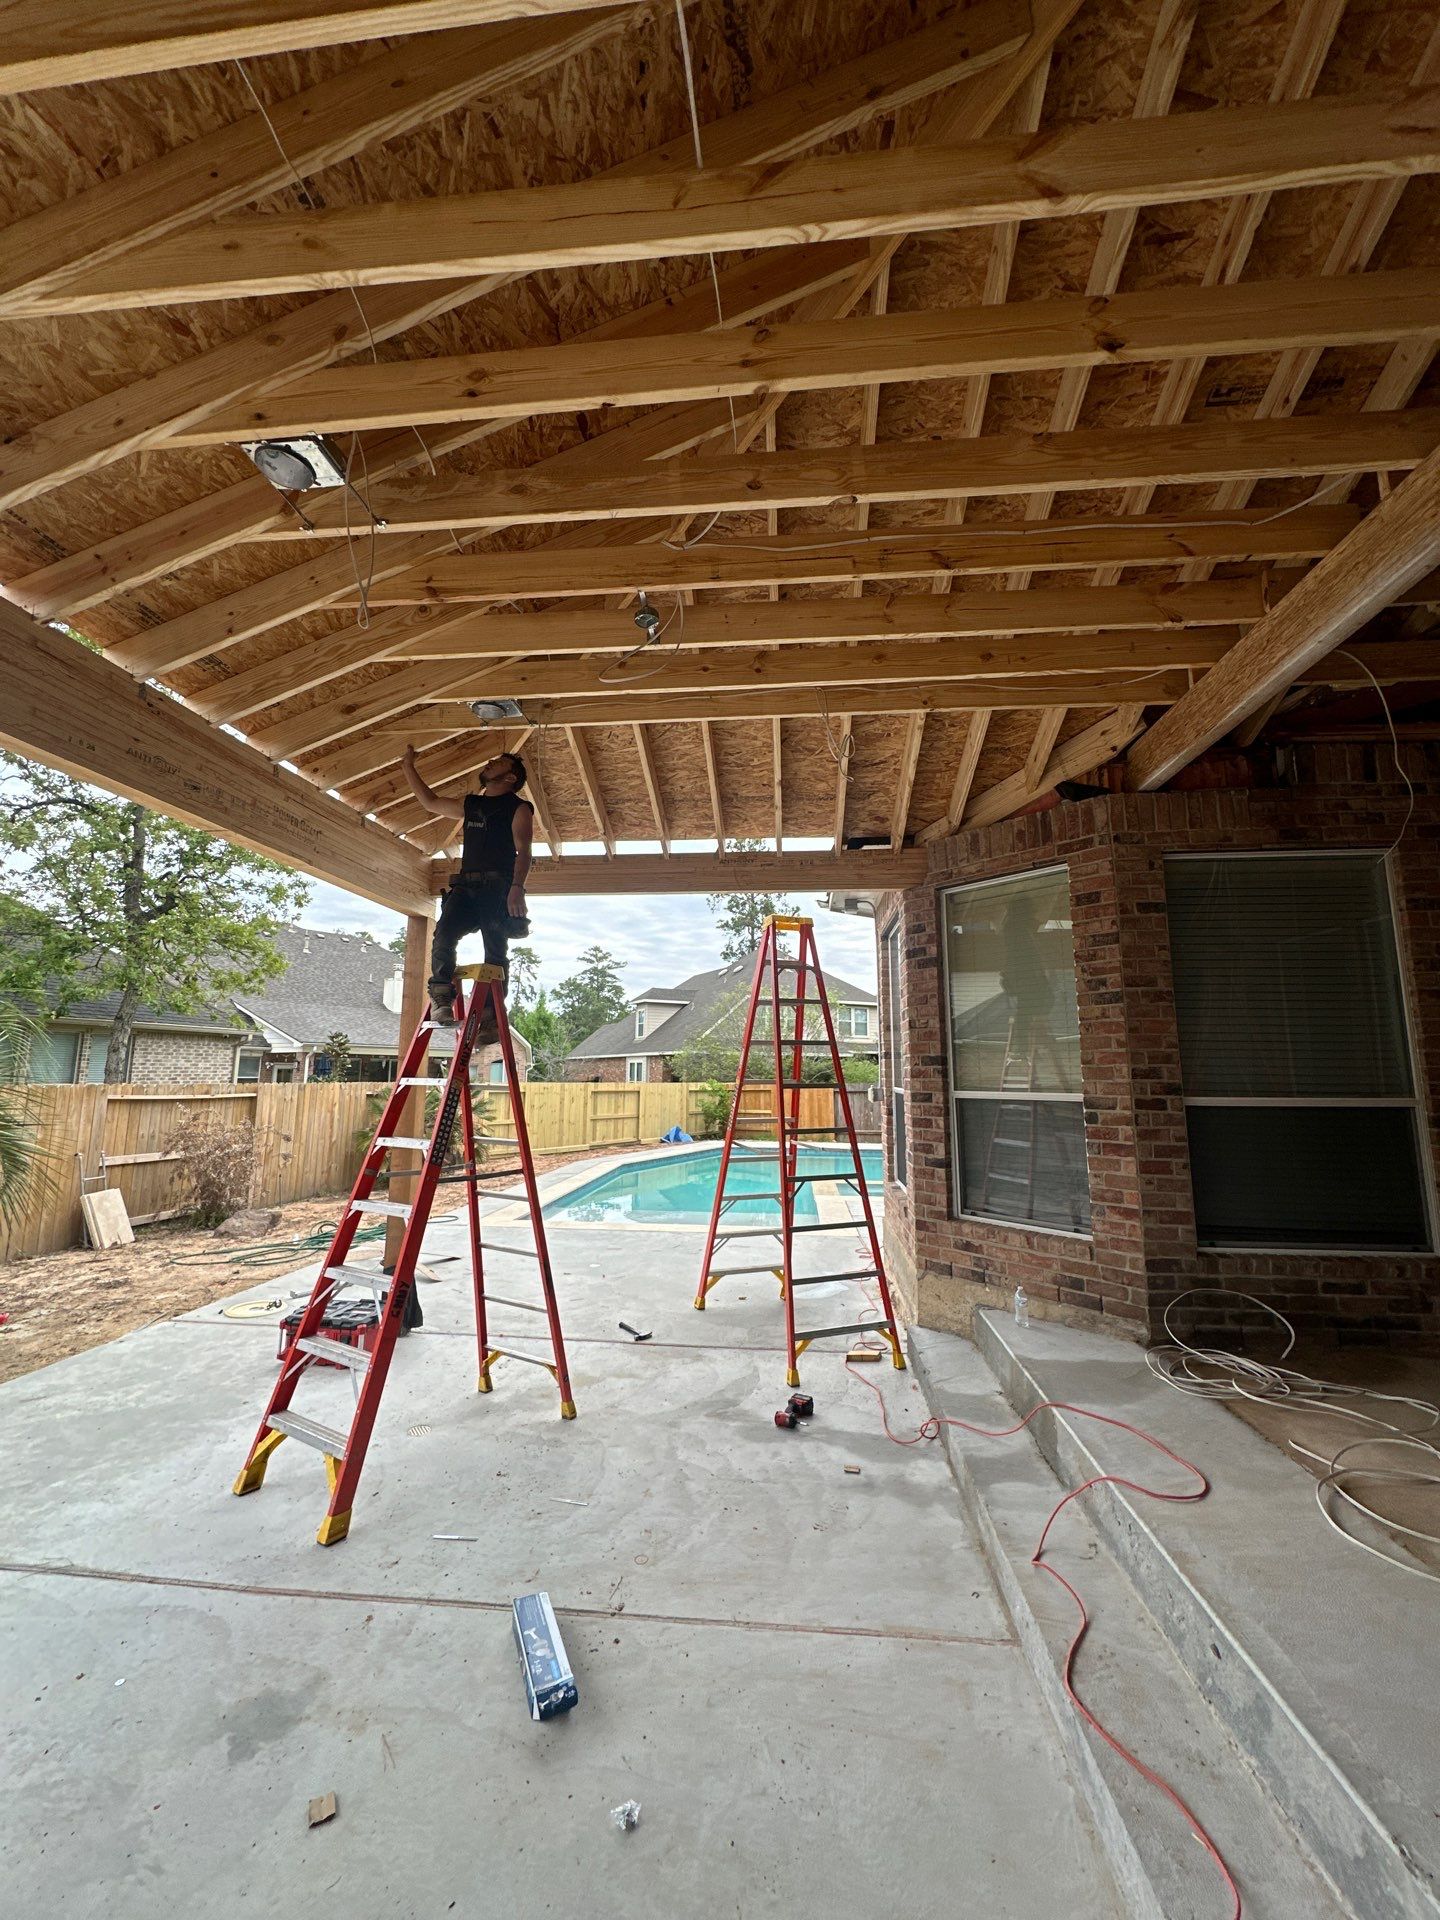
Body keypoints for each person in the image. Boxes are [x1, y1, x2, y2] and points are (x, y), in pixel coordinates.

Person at [402, 746, 534, 1030]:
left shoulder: (519, 808)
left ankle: (489, 1018)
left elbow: (523, 852)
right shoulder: (472, 804)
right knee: (444, 936)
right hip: (465, 887)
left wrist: (517, 888)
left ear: (510, 778)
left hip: (497, 888)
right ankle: (441, 999)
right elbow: (431, 802)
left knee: (495, 951)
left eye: (497, 762)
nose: (489, 761)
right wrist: (408, 766)